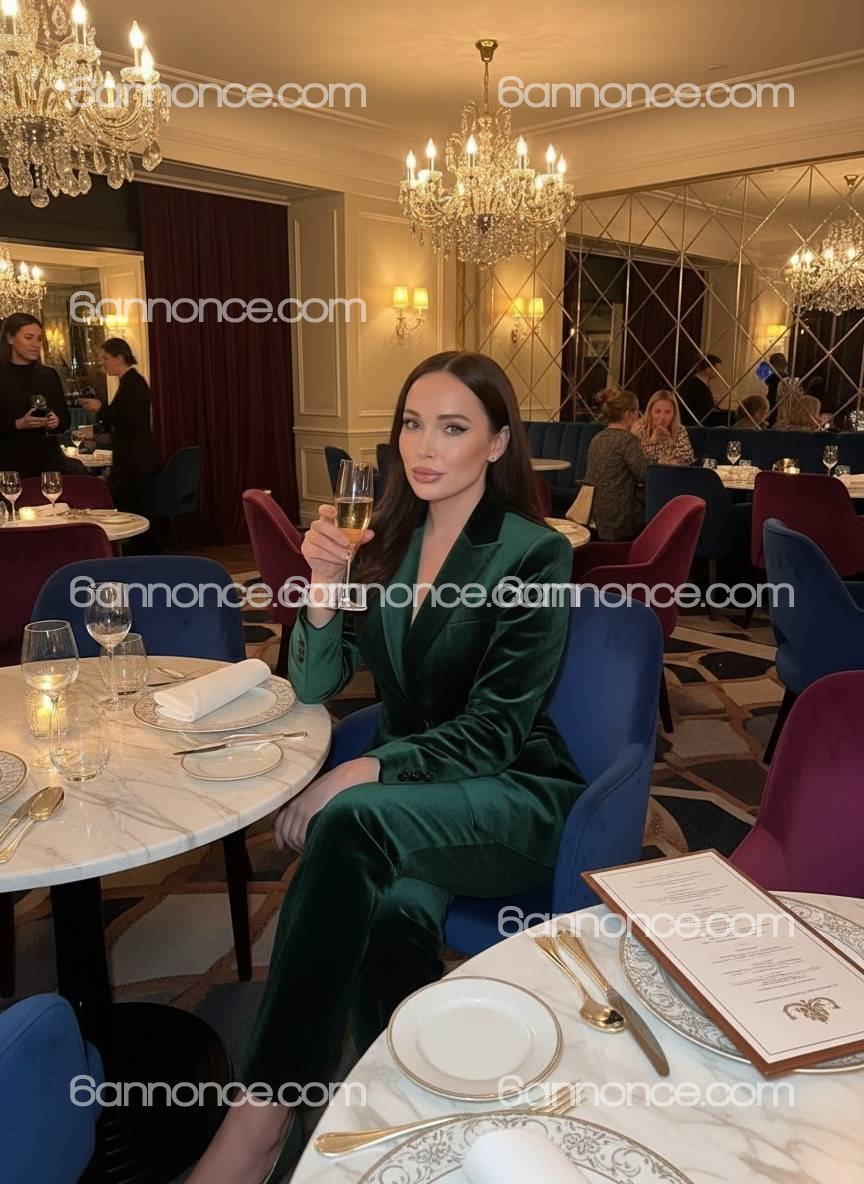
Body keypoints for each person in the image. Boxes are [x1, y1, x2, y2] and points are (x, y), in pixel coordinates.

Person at [187, 351, 585, 1184]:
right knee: (393, 915)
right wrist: (323, 584)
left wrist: (363, 770)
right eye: (412, 423)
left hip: (511, 796)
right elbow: (315, 683)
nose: (424, 447)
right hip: (409, 808)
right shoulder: (383, 541)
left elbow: (496, 730)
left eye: (453, 427)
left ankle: (257, 1125)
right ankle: (403, 1128)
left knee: (352, 821)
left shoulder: (533, 555)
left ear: (497, 441)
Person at [78, 338, 162, 510]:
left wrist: (100, 408)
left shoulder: (133, 383)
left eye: (105, 358)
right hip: (133, 461)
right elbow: (121, 417)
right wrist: (95, 429)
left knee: (134, 512)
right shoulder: (129, 382)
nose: (102, 363)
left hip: (135, 461)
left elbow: (131, 420)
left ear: (119, 358)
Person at [0, 312, 70, 477]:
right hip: (9, 463)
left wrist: (56, 421)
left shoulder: (49, 375)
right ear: (10, 338)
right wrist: (18, 424)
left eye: (39, 339)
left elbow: (65, 418)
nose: (35, 344)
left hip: (48, 461)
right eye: (28, 337)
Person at [583, 387, 647, 541]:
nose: (639, 416)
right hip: (618, 520)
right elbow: (645, 475)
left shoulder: (597, 438)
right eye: (637, 412)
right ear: (629, 414)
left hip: (594, 516)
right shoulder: (628, 440)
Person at [632, 389, 694, 465]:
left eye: (667, 412)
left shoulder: (680, 430)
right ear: (650, 411)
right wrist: (652, 442)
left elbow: (687, 459)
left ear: (674, 414)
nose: (662, 417)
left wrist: (667, 441)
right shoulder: (641, 428)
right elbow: (636, 461)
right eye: (657, 411)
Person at [678, 354, 722, 425]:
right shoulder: (697, 386)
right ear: (708, 369)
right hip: (695, 426)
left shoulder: (697, 384)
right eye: (715, 368)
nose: (718, 371)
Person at [763, 352, 788, 418]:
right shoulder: (774, 377)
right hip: (774, 403)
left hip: (777, 403)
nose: (785, 363)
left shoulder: (772, 376)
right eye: (781, 362)